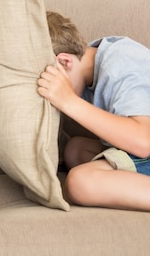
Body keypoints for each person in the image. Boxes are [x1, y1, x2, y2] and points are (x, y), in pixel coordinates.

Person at [37, 11, 150, 211]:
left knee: (79, 182)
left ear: (64, 62)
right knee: (75, 149)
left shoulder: (121, 61)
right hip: (138, 153)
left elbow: (143, 142)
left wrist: (68, 101)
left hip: (143, 145)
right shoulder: (92, 72)